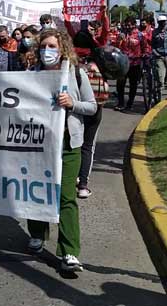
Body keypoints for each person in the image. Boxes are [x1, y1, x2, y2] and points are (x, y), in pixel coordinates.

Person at [26, 29, 97, 273]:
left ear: (63, 48)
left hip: (68, 145)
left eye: (53, 46)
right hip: (38, 144)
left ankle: (69, 251)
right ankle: (37, 233)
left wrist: (72, 104)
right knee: (35, 191)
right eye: (44, 46)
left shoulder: (76, 74)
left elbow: (92, 106)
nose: (48, 51)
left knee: (66, 197)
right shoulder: (30, 74)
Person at [63, 11, 109, 199]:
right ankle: (83, 184)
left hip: (70, 108)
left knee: (73, 143)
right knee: (88, 145)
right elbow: (105, 33)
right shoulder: (100, 57)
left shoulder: (68, 63)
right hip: (94, 107)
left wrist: (66, 16)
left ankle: (70, 176)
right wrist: (104, 15)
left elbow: (69, 28)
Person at [114, 18, 147, 111]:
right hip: (123, 63)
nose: (128, 27)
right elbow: (116, 47)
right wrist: (119, 40)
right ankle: (120, 103)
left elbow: (145, 47)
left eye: (130, 25)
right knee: (120, 84)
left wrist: (144, 55)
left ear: (134, 25)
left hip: (135, 63)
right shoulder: (121, 35)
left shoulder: (140, 35)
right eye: (126, 25)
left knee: (133, 84)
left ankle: (130, 103)